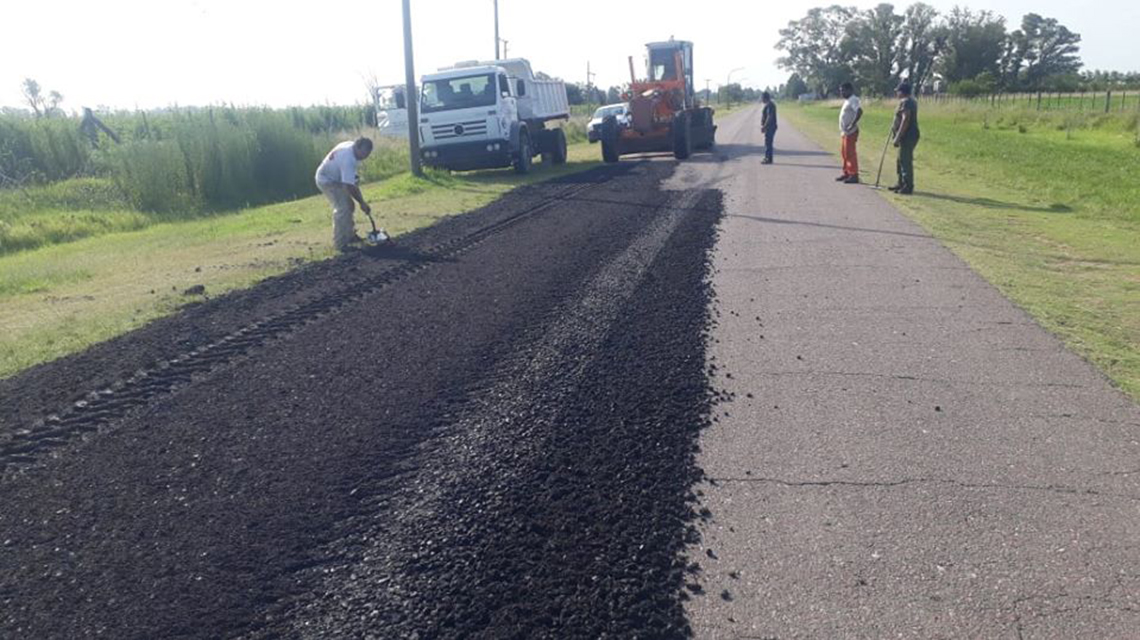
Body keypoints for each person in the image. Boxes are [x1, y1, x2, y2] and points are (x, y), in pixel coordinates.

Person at [315, 137, 374, 250]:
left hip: (336, 179)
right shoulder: (348, 159)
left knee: (350, 205)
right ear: (358, 147)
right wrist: (362, 203)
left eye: (368, 154)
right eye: (364, 153)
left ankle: (350, 235)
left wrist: (361, 201)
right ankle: (340, 243)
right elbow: (349, 186)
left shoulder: (351, 146)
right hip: (326, 180)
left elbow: (352, 183)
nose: (365, 157)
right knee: (343, 208)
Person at [891, 83, 920, 195]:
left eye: (898, 91)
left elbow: (905, 119)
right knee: (900, 159)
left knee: (905, 160)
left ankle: (908, 186)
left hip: (908, 135)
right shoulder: (909, 101)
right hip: (906, 135)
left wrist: (898, 136)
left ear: (902, 92)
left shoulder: (907, 102)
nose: (896, 93)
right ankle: (901, 183)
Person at [837, 82, 863, 184]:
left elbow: (859, 111)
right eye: (841, 91)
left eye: (843, 91)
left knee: (850, 153)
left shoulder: (853, 99)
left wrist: (852, 124)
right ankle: (847, 172)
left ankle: (854, 174)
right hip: (845, 132)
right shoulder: (847, 100)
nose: (841, 93)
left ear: (850, 90)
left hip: (851, 131)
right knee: (844, 153)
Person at [760, 92, 777, 164]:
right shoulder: (768, 105)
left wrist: (764, 126)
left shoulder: (770, 105)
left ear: (765, 98)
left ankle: (768, 158)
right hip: (769, 127)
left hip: (770, 127)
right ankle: (768, 158)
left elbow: (769, 117)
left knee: (768, 143)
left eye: (762, 98)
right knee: (768, 143)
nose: (761, 99)